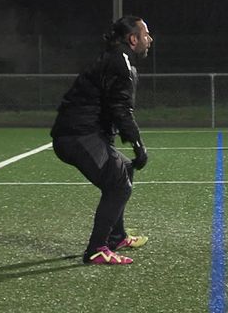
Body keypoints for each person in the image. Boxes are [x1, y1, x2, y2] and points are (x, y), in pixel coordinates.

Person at [50, 16, 153, 265]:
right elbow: (121, 109)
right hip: (77, 135)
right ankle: (97, 250)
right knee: (119, 185)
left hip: (80, 132)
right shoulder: (121, 62)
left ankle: (117, 236)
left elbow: (108, 106)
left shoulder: (116, 57)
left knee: (124, 169)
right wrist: (138, 145)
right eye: (146, 34)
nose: (150, 39)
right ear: (133, 39)